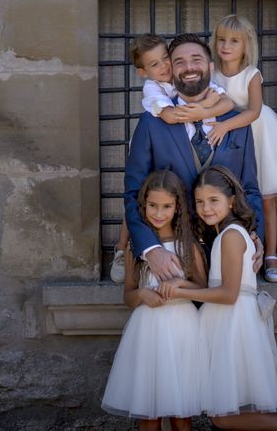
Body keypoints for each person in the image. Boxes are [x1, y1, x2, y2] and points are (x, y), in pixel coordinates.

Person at [157, 166, 277, 431]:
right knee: (233, 411)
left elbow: (228, 293)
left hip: (234, 323)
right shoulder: (225, 233)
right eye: (199, 202)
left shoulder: (232, 235)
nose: (206, 208)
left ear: (231, 200)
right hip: (226, 321)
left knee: (223, 416)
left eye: (214, 200)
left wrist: (179, 290)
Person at [124, 33, 264, 282]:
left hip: (230, 260)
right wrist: (151, 250)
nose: (189, 68)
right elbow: (135, 193)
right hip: (173, 262)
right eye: (179, 62)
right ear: (171, 70)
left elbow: (250, 189)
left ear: (210, 67)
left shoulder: (237, 123)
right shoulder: (150, 123)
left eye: (196, 60)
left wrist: (255, 236)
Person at [102, 169, 207, 431]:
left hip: (183, 329)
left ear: (177, 207)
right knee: (149, 413)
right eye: (152, 206)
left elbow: (202, 287)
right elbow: (128, 295)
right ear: (143, 205)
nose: (159, 214)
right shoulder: (136, 248)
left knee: (182, 413)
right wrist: (141, 294)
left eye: (166, 207)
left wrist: (180, 283)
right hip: (147, 331)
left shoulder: (187, 244)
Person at [208, 14, 277, 283]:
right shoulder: (212, 72)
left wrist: (225, 126)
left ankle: (271, 255)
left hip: (258, 134)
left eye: (233, 41)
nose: (226, 46)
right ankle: (229, 252)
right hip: (230, 142)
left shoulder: (252, 74)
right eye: (221, 40)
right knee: (228, 194)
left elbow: (253, 111)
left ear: (246, 45)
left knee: (265, 196)